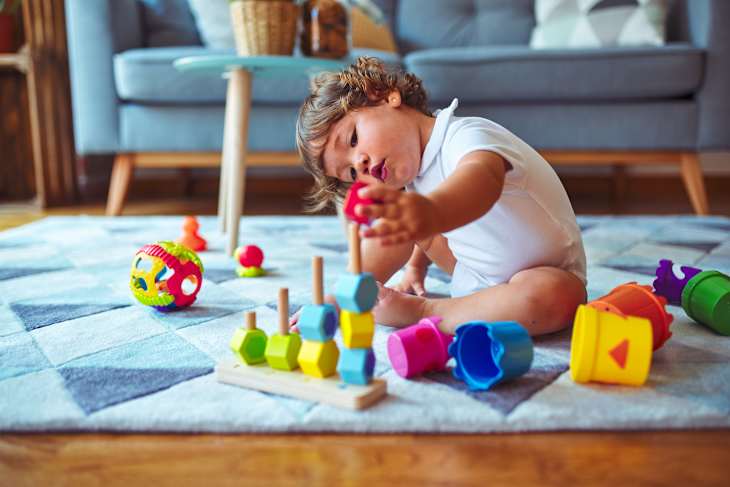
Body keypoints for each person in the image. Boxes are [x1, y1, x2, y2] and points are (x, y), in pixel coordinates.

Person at [294, 57, 587, 336]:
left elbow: (482, 180)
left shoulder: (466, 135)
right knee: (396, 225)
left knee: (555, 296)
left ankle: (425, 312)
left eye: (353, 139)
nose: (359, 164)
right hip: (473, 280)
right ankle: (347, 292)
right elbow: (408, 234)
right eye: (351, 174)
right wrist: (409, 267)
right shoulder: (413, 183)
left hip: (545, 274)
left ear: (384, 96)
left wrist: (429, 212)